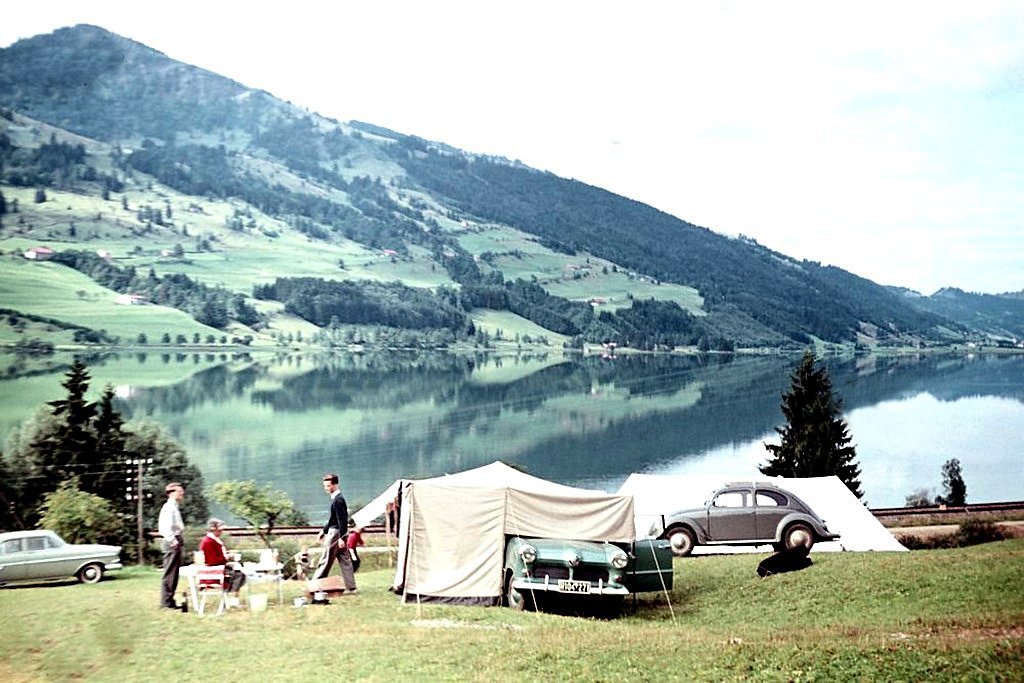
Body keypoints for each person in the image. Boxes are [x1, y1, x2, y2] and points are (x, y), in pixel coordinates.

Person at [311, 473, 356, 592]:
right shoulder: (337, 499)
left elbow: (342, 520)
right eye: (325, 486)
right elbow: (333, 519)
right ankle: (351, 587)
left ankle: (315, 585)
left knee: (326, 559)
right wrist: (324, 530)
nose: (326, 488)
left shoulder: (338, 500)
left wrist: (341, 537)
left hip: (335, 534)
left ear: (335, 485)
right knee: (345, 560)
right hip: (337, 532)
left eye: (328, 486)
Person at [199, 518, 247, 604]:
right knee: (238, 575)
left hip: (218, 567)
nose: (222, 531)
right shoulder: (208, 542)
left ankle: (232, 597)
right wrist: (227, 558)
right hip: (213, 570)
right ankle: (232, 598)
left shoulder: (213, 540)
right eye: (220, 529)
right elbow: (211, 561)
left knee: (240, 570)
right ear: (214, 529)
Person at [158, 482, 186, 610]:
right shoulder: (169, 507)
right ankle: (166, 602)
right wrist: (173, 541)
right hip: (172, 541)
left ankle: (170, 600)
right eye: (179, 491)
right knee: (170, 572)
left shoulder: (174, 507)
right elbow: (164, 528)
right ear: (172, 493)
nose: (182, 493)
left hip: (176, 539)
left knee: (174, 573)